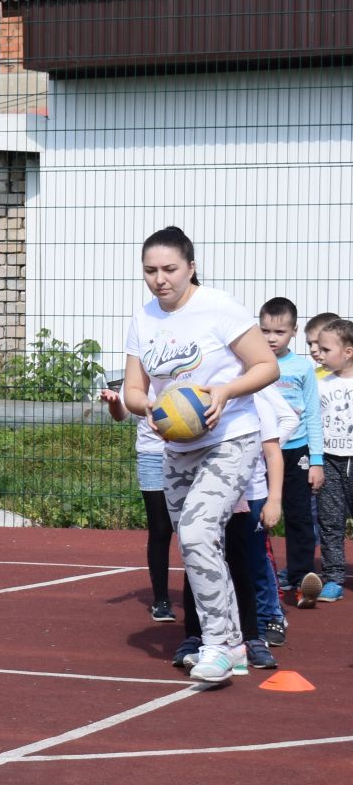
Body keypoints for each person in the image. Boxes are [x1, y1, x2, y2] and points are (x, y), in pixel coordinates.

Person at [120, 226, 278, 684]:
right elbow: (134, 388)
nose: (159, 279)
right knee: (198, 546)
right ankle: (233, 642)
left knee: (195, 529)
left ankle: (220, 645)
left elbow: (264, 365)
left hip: (231, 437)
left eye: (169, 269)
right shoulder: (143, 319)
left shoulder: (219, 308)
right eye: (150, 271)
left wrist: (226, 390)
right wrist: (147, 406)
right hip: (177, 446)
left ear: (190, 266)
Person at [169, 388, 295, 675]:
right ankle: (195, 636)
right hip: (206, 493)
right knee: (198, 564)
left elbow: (273, 451)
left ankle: (251, 636)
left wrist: (274, 498)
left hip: (246, 495)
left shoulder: (255, 403)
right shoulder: (201, 401)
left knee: (242, 565)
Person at [258, 298, 324, 627]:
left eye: (279, 332)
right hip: (261, 450)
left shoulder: (301, 368)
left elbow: (313, 414)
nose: (272, 338)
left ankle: (299, 580)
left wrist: (317, 460)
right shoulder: (253, 364)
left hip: (296, 450)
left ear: (294, 332)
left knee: (299, 518)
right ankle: (266, 577)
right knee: (261, 517)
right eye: (266, 330)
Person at [97, 383, 174, 622]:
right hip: (152, 455)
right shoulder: (140, 370)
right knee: (160, 529)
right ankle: (161, 600)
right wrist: (115, 403)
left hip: (188, 453)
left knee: (194, 531)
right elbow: (121, 415)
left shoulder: (186, 366)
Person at [312, 317, 353, 604]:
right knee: (330, 521)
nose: (319, 354)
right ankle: (333, 578)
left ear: (348, 351)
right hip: (329, 460)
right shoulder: (320, 384)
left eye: (325, 349)